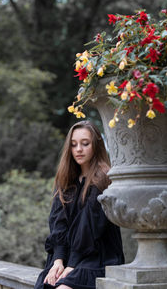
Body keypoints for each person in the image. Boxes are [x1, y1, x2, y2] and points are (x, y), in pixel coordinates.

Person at [34, 120, 124, 289]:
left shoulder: (103, 178)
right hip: (69, 257)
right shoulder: (67, 179)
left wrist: (71, 265)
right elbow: (58, 223)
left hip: (98, 258)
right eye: (74, 145)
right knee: (46, 284)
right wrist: (58, 260)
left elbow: (89, 228)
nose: (79, 150)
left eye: (85, 144)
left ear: (96, 146)